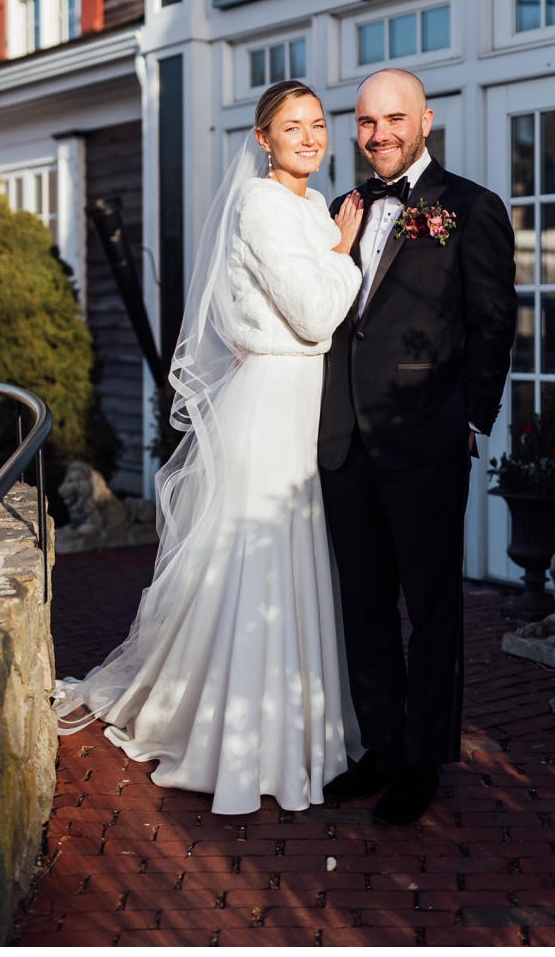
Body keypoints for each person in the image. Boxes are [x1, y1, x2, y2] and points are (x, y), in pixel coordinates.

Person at [52, 79, 369, 815]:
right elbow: (315, 312)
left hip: (299, 401)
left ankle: (301, 732)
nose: (310, 137)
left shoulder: (310, 206)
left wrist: (330, 245)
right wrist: (345, 252)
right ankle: (238, 740)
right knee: (259, 562)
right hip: (271, 404)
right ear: (263, 139)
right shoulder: (261, 204)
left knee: (295, 559)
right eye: (293, 126)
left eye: (318, 124)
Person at [316, 68, 517, 824]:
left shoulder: (469, 208)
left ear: (425, 119)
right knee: (363, 603)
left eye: (394, 118)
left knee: (429, 606)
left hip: (427, 435)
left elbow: (493, 322)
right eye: (367, 122)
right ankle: (381, 747)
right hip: (343, 437)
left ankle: (425, 760)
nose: (379, 135)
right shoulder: (344, 206)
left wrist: (471, 419)